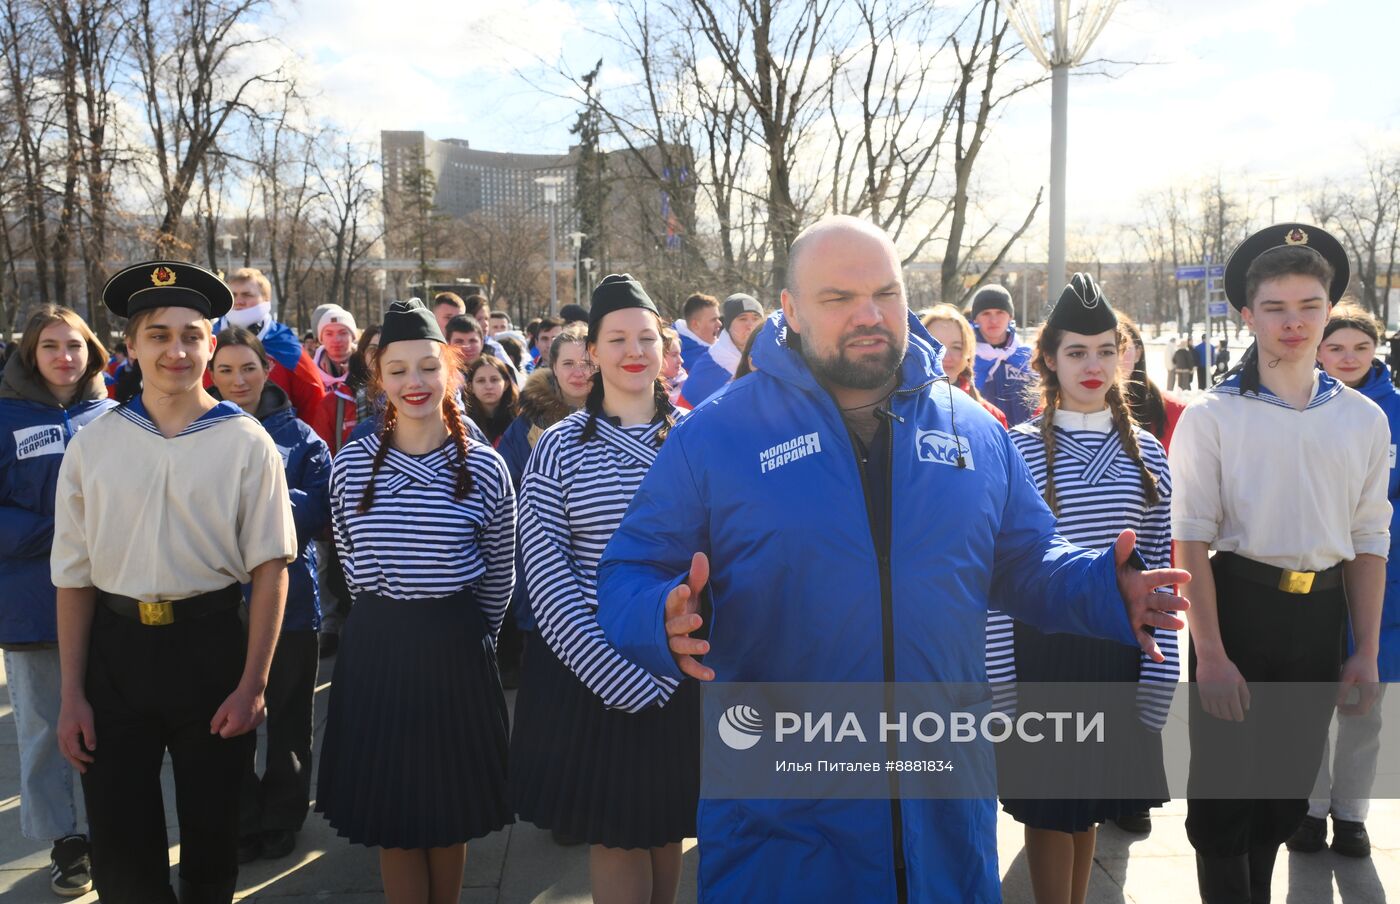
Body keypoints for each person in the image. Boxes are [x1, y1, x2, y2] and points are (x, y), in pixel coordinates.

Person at [595, 216, 1189, 902]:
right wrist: (656, 619)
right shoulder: (718, 433)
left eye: (886, 292)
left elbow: (1026, 558)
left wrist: (1102, 591)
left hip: (943, 815)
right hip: (787, 828)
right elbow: (629, 571)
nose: (869, 315)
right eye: (838, 298)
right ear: (788, 311)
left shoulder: (972, 428)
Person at [52, 261, 296, 904]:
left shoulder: (247, 443)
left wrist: (253, 684)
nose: (177, 350)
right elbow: (73, 577)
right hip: (116, 653)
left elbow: (271, 570)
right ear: (130, 347)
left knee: (213, 844)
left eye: (192, 334)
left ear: (212, 345)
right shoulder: (93, 444)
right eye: (158, 335)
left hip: (210, 649)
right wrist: (72, 693)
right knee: (123, 854)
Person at [1171, 224, 1388, 902]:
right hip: (1238, 608)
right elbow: (1190, 541)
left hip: (1319, 619)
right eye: (1275, 308)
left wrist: (1366, 652)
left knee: (1282, 798)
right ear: (1246, 314)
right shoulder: (1215, 415)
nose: (1293, 323)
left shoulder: (1361, 419)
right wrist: (1209, 654)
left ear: (1329, 310)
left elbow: (1368, 539)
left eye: (1308, 306)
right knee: (1221, 804)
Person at [315, 299, 515, 904]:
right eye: (398, 370)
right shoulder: (351, 465)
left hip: (455, 643)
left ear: (450, 369)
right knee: (395, 813)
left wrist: (462, 629)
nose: (414, 383)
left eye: (428, 367)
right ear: (380, 377)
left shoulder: (483, 466)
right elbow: (348, 562)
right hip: (379, 645)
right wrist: (391, 616)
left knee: (447, 806)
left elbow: (500, 571)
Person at [987, 275, 1176, 904]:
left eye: (1104, 350)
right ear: (1047, 358)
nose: (1092, 366)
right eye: (1075, 352)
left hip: (1115, 652)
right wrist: (999, 673)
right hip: (1038, 651)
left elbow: (1160, 571)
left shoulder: (1148, 453)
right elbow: (1001, 572)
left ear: (1124, 354)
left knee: (1088, 806)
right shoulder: (1014, 450)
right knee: (1049, 811)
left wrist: (1161, 670)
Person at [511, 274, 698, 904]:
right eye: (616, 338)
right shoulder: (558, 446)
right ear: (591, 352)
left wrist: (677, 657)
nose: (632, 350)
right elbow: (545, 571)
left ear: (665, 347)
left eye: (646, 336)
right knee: (617, 835)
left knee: (669, 827)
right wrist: (617, 673)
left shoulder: (698, 438)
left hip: (687, 666)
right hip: (595, 674)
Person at [0, 305, 115, 897]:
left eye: (74, 345)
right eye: (50, 346)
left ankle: (112, 831)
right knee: (45, 726)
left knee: (114, 724)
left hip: (114, 601)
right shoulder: (4, 416)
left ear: (92, 350)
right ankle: (65, 841)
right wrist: (58, 532)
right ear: (30, 353)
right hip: (32, 602)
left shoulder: (119, 414)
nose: (64, 357)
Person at [208, 327, 331, 865]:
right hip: (213, 602)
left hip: (291, 600)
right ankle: (240, 815)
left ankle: (283, 814)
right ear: (211, 376)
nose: (239, 380)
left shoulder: (301, 436)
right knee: (224, 719)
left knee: (287, 715)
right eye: (227, 370)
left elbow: (319, 510)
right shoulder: (193, 431)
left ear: (267, 371)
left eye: (249, 368)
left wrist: (255, 502)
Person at [1290, 302, 1399, 859]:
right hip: (1315, 581)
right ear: (1319, 350)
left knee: (1366, 706)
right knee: (1311, 701)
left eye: (1360, 347)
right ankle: (1310, 809)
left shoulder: (1393, 412)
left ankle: (1352, 815)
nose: (1349, 357)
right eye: (1336, 347)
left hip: (1385, 584)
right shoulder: (1300, 407)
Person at [211, 267, 326, 421]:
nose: (238, 301)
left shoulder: (285, 345)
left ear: (266, 299)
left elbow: (314, 400)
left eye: (247, 294)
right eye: (233, 295)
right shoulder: (207, 342)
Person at [921, 304, 1008, 428]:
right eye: (936, 346)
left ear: (969, 353)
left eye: (956, 347)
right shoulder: (897, 409)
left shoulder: (992, 418)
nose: (945, 356)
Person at [678, 292, 764, 406]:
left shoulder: (771, 358)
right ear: (728, 325)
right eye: (742, 319)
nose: (750, 325)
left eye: (756, 318)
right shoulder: (711, 365)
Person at [970, 284, 1037, 426]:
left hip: (1026, 440)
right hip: (985, 438)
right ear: (975, 319)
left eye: (1000, 312)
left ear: (1010, 316)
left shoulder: (1027, 357)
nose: (993, 320)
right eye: (986, 313)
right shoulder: (967, 360)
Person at [310, 324, 381, 455]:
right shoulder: (334, 404)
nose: (380, 356)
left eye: (386, 349)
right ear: (362, 355)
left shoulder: (406, 399)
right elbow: (323, 461)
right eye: (373, 350)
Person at [1118, 316, 1186, 452]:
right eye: (1102, 351)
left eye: (1121, 347)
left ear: (1138, 353)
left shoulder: (1175, 414)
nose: (1112, 358)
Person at [463, 355, 519, 446]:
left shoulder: (520, 419)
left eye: (494, 380)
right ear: (470, 387)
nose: (488, 386)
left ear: (506, 384)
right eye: (481, 381)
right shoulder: (464, 424)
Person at [673, 292, 722, 371]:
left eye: (718, 318)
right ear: (695, 324)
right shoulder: (671, 353)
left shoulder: (721, 349)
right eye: (713, 320)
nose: (719, 324)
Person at [314, 305, 358, 390]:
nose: (336, 340)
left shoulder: (366, 369)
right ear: (321, 338)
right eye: (329, 334)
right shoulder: (311, 372)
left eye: (343, 333)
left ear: (352, 336)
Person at [659, 326, 688, 408]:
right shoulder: (650, 394)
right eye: (674, 355)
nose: (681, 361)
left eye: (679, 354)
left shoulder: (686, 382)